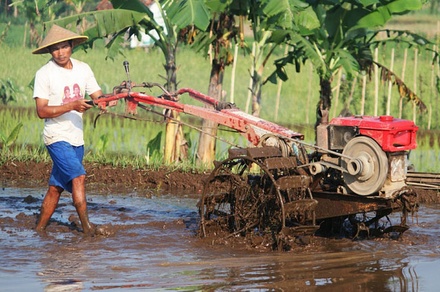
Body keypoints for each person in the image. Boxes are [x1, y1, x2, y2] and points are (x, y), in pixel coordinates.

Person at [32, 24, 103, 235]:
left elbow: (97, 96)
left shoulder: (83, 68)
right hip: (56, 137)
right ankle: (87, 228)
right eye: (55, 49)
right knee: (78, 176)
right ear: (49, 51)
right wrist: (71, 106)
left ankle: (40, 229)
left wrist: (109, 99)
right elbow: (41, 111)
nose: (60, 52)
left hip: (76, 138)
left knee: (55, 188)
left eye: (64, 47)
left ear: (72, 46)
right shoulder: (44, 74)